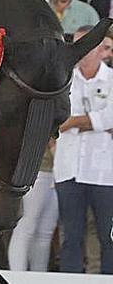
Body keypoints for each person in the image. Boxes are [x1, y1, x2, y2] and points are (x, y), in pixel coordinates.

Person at [55, 25, 113, 274]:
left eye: (89, 44)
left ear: (102, 49)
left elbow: (110, 118)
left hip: (105, 173)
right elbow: (59, 121)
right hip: (69, 171)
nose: (82, 51)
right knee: (71, 237)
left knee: (107, 237)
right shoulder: (63, 79)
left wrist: (76, 122)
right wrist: (95, 122)